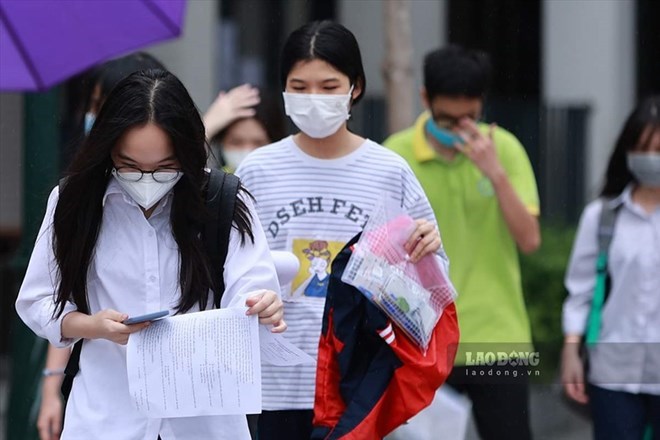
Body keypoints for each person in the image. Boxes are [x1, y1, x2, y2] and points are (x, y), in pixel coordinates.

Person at [16, 69, 286, 440]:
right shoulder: (75, 202)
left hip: (203, 422)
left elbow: (251, 287)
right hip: (105, 418)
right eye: (128, 165)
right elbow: (36, 300)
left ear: (188, 153)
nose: (146, 179)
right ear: (107, 149)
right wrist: (93, 326)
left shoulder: (224, 200)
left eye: (164, 167)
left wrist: (261, 303)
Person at [235, 20, 448, 440]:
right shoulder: (257, 171)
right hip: (273, 387)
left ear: (356, 87)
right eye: (300, 86)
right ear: (283, 90)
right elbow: (226, 271)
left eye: (329, 86)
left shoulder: (389, 171)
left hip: (357, 386)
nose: (314, 99)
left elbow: (432, 291)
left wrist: (427, 252)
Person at [384, 45, 541, 440]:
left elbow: (530, 240)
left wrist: (495, 173)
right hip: (423, 338)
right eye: (447, 119)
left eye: (468, 118)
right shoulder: (395, 155)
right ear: (425, 99)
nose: (458, 128)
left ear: (482, 105)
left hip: (496, 338)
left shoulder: (504, 149)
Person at [36, 52, 166, 440]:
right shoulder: (76, 196)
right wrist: (52, 385)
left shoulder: (208, 198)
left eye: (103, 105)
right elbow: (57, 300)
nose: (96, 117)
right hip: (104, 407)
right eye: (93, 106)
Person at [561, 96, 660, 440]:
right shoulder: (602, 217)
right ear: (628, 150)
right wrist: (572, 349)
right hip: (613, 371)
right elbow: (581, 290)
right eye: (645, 148)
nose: (652, 159)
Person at [204, 87, 286, 172]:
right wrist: (206, 129)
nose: (247, 151)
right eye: (236, 142)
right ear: (221, 142)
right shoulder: (212, 183)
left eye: (259, 143)